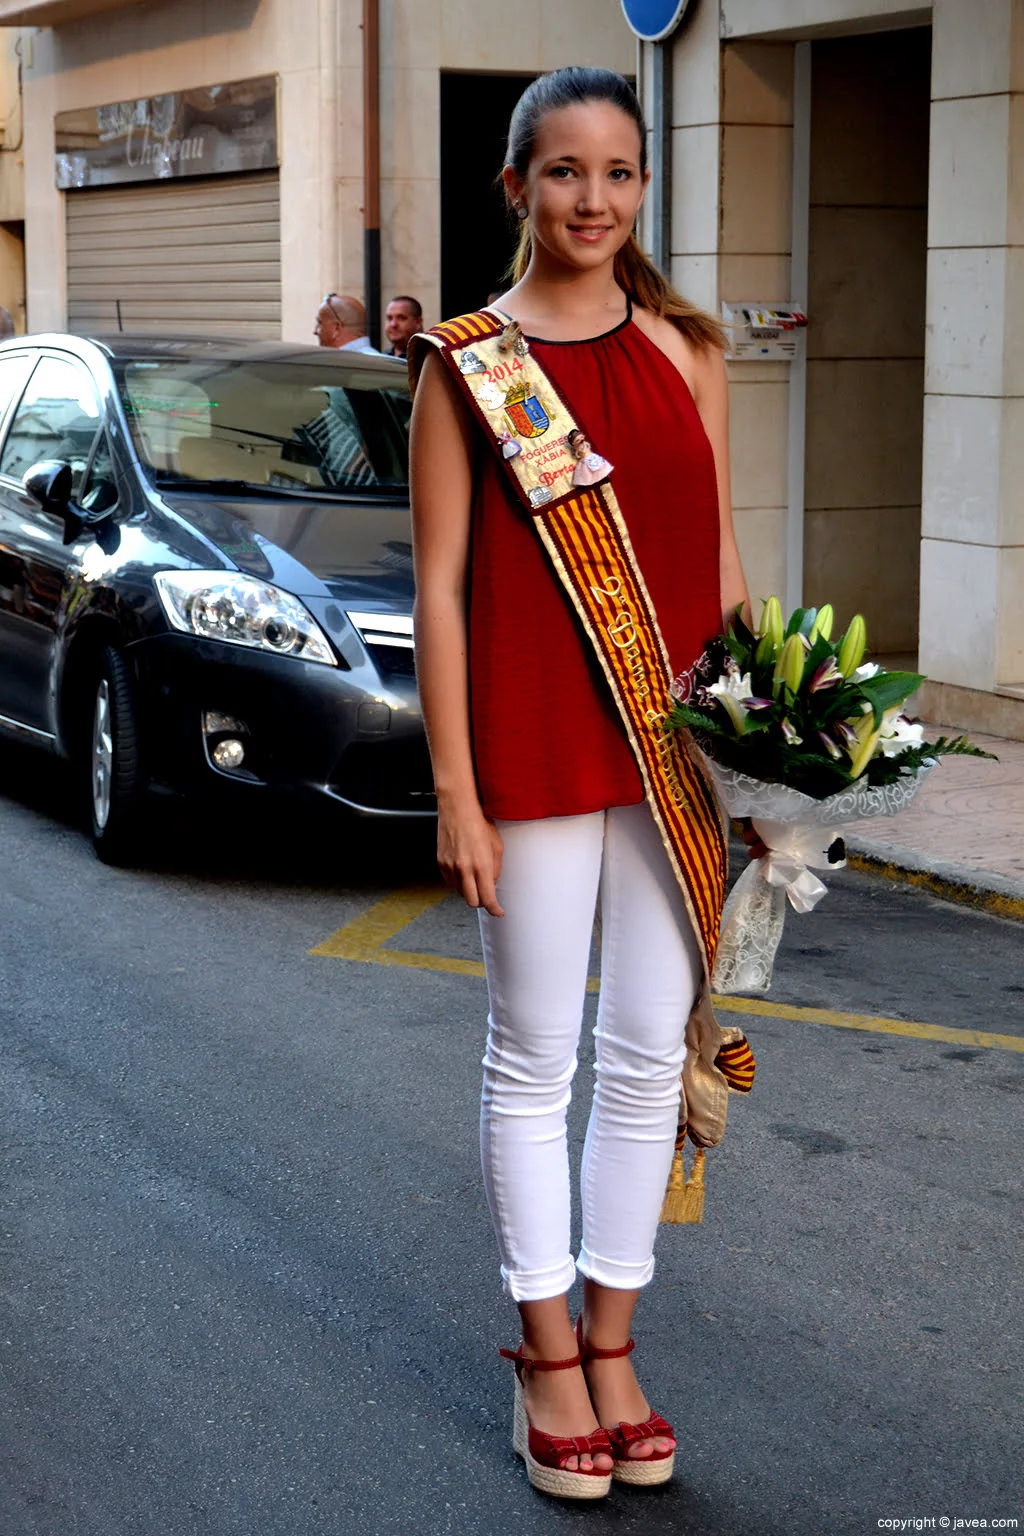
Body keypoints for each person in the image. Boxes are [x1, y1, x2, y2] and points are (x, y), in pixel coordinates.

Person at [408, 68, 753, 1502]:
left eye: (618, 173)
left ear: (644, 190)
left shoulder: (687, 348)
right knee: (535, 1049)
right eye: (563, 173)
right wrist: (457, 792)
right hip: (535, 748)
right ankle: (546, 1352)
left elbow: (720, 562)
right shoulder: (468, 365)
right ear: (516, 189)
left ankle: (615, 1342)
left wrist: (773, 746)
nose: (593, 200)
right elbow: (437, 590)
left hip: (671, 752)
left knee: (641, 1058)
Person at [313, 294, 381, 353]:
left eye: (320, 323)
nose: (315, 331)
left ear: (336, 328)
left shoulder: (337, 364)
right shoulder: (382, 363)